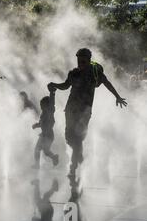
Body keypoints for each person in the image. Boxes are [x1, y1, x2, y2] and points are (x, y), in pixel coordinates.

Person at [48, 48, 127, 176]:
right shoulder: (73, 73)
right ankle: (77, 154)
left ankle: (73, 167)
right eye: (78, 60)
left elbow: (107, 83)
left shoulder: (95, 73)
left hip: (85, 111)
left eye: (83, 60)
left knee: (78, 138)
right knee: (69, 138)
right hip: (70, 109)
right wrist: (55, 85)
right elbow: (65, 86)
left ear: (89, 60)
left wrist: (117, 96)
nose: (80, 63)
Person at [32, 90, 59, 169]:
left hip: (48, 135)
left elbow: (52, 103)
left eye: (42, 105)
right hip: (44, 135)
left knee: (40, 150)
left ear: (47, 105)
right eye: (40, 105)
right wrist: (36, 125)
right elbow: (41, 123)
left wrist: (52, 93)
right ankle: (53, 158)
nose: (41, 106)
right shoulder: (43, 113)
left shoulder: (49, 112)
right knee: (43, 151)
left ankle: (52, 158)